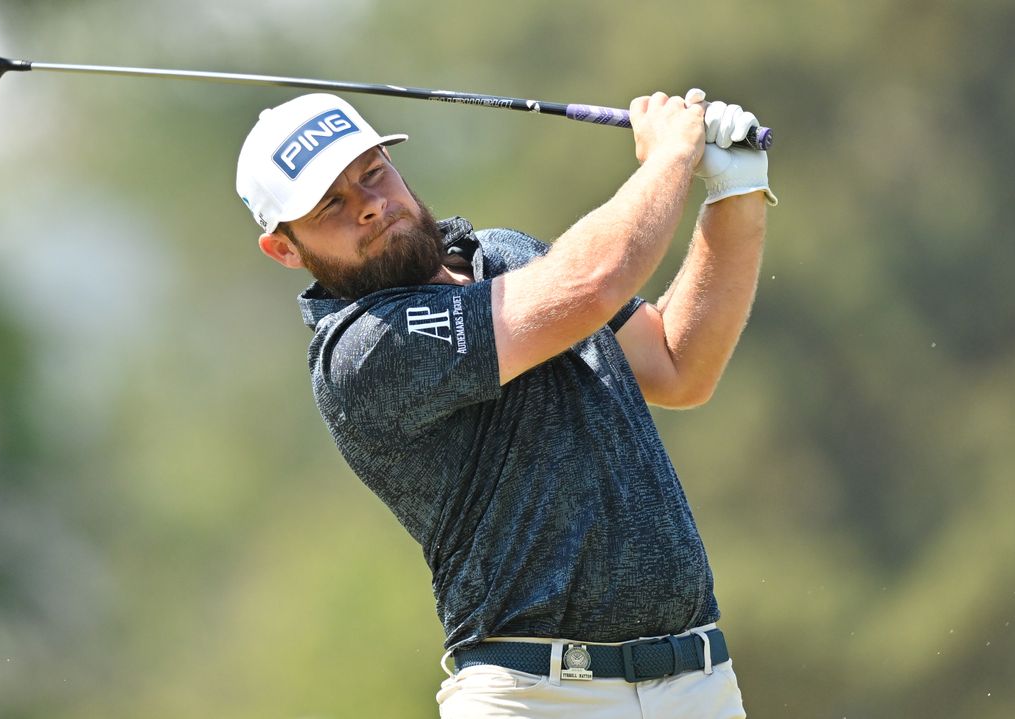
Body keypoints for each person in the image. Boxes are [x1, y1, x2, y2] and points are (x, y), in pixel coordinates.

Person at [236, 88, 776, 718]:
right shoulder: (361, 350)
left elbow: (678, 366)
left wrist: (734, 191)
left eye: (373, 174)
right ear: (285, 249)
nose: (372, 207)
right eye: (332, 205)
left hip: (695, 683)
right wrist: (670, 158)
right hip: (537, 697)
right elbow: (590, 284)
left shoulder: (508, 256)